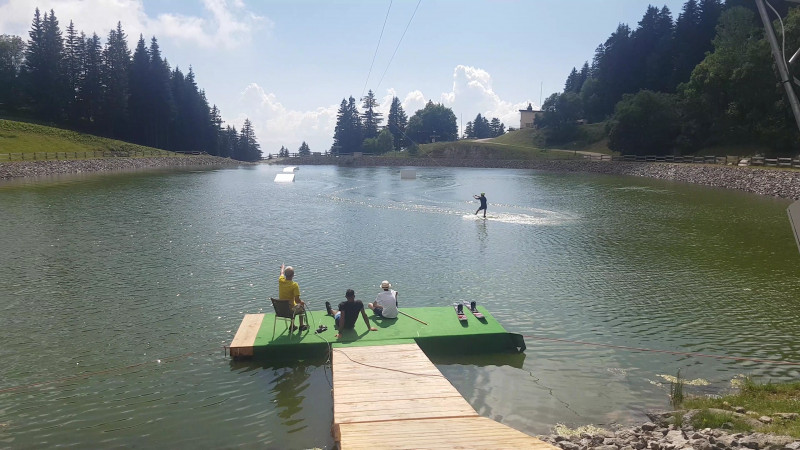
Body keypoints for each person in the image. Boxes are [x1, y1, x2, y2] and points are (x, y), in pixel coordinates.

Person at [279, 263, 307, 331]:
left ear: (285, 275)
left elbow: (281, 273)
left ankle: (292, 326)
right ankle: (301, 325)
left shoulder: (281, 280)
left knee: (293, 305)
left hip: (281, 309)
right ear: (293, 275)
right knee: (301, 306)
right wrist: (302, 302)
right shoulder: (294, 285)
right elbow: (297, 300)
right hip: (290, 310)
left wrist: (282, 267)